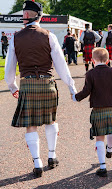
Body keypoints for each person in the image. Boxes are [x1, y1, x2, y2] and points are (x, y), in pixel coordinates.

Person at [4, 1, 77, 178]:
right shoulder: (49, 36)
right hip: (47, 84)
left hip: (28, 85)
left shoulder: (15, 37)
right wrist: (71, 86)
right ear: (40, 16)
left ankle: (37, 163)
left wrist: (12, 86)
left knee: (31, 125)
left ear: (26, 16)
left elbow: (9, 68)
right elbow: (61, 64)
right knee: (51, 120)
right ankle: (52, 156)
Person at [72, 48, 112, 177]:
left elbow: (86, 91)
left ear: (93, 60)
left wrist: (76, 97)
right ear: (108, 60)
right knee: (111, 130)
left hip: (98, 108)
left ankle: (103, 167)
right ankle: (110, 148)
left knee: (99, 136)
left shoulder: (90, 74)